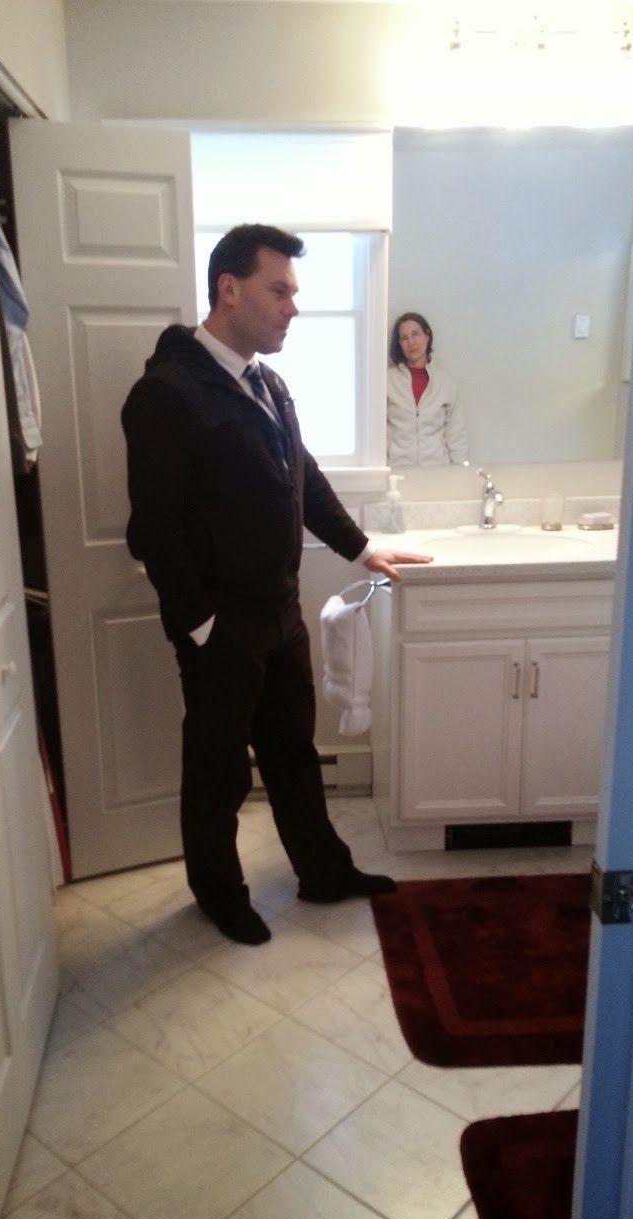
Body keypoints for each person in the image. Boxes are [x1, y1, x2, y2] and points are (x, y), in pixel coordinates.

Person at [122, 224, 430, 946]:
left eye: (294, 291)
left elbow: (303, 478)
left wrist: (361, 549)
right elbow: (153, 531)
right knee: (219, 769)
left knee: (295, 753)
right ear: (228, 289)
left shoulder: (267, 382)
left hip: (279, 612)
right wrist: (200, 625)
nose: (293, 306)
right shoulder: (166, 393)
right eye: (280, 290)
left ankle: (323, 872)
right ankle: (218, 894)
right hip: (222, 626)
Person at [387, 311, 467, 467]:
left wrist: (460, 474)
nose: (411, 342)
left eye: (415, 334)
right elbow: (378, 436)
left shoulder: (445, 383)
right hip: (398, 473)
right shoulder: (388, 382)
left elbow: (456, 436)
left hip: (437, 473)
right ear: (400, 344)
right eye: (404, 338)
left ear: (427, 335)